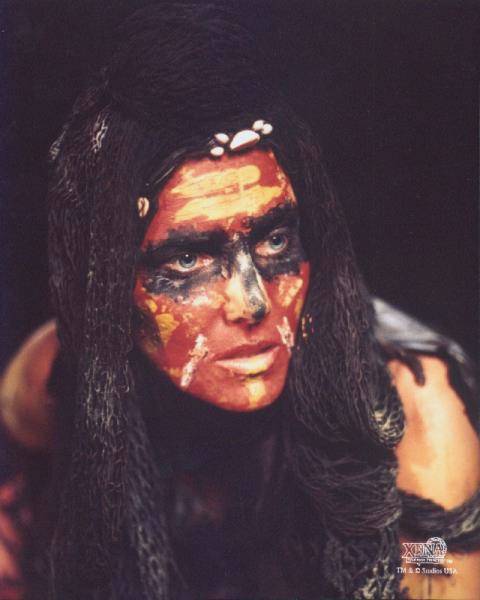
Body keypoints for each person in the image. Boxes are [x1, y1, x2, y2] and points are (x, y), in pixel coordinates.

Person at [1, 4, 479, 599]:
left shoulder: (411, 410)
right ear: (106, 287)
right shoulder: (53, 381)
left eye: (275, 239)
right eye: (187, 259)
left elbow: (437, 571)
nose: (251, 301)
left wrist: (414, 551)